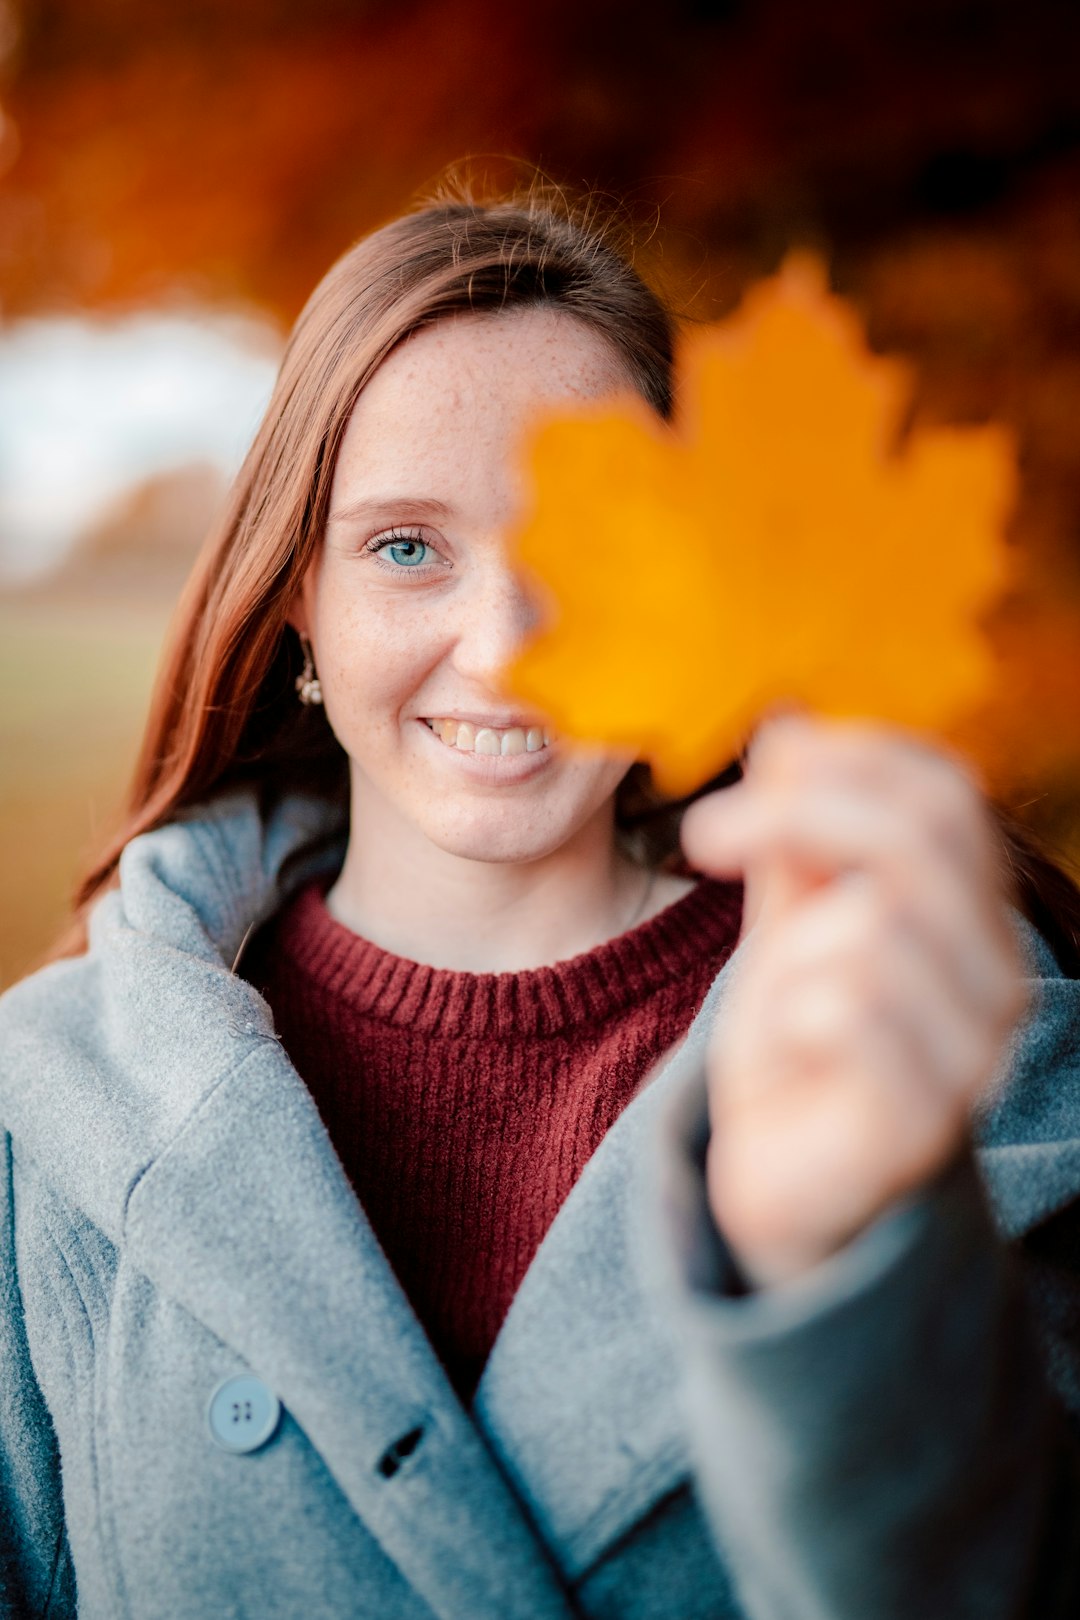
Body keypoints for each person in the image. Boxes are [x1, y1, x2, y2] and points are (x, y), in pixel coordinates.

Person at [2, 180, 1079, 1620]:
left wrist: (854, 1271)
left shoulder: (947, 1044)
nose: (506, 649)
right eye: (405, 548)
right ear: (300, 595)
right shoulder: (58, 1108)